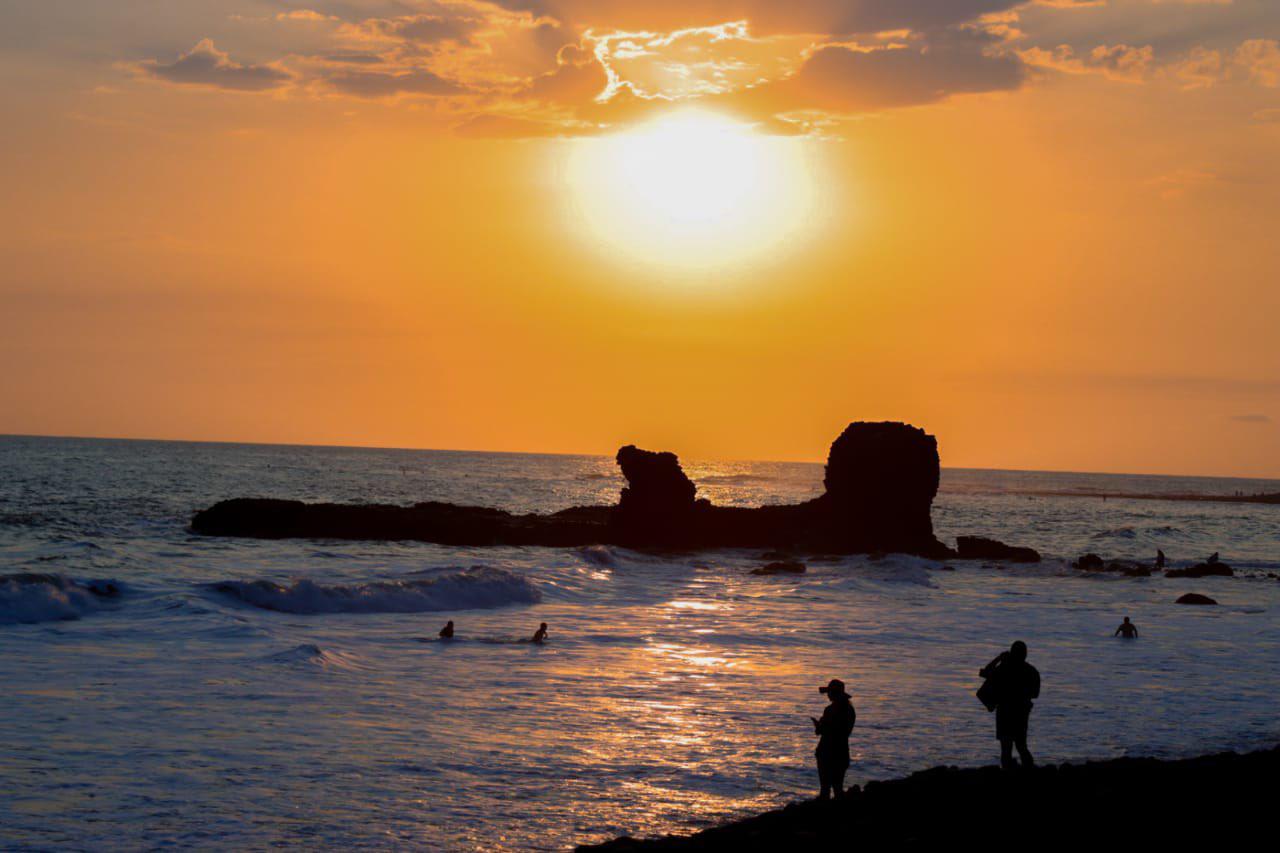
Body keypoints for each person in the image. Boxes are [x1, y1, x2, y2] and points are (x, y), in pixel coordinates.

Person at [978, 641, 1040, 771]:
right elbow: (1035, 693)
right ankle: (1030, 771)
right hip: (1022, 712)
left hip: (1004, 711)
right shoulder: (1031, 671)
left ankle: (1007, 773)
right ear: (1025, 654)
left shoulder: (1004, 668)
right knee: (1021, 745)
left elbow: (985, 673)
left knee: (1006, 747)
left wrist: (999, 659)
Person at [810, 678, 856, 800]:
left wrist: (818, 726)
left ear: (834, 694)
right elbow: (844, 732)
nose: (828, 695)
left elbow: (823, 731)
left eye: (829, 693)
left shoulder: (830, 710)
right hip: (841, 753)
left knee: (825, 790)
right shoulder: (850, 710)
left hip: (826, 753)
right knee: (838, 788)